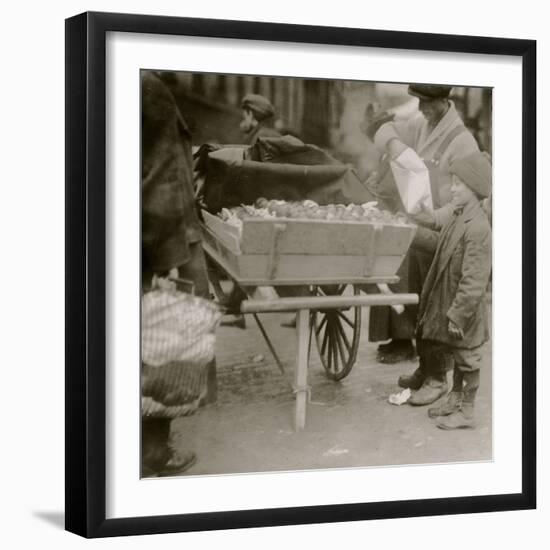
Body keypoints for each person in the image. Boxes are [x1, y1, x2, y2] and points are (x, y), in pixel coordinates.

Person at [365, 84, 480, 382]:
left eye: (427, 103)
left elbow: (470, 203)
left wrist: (433, 216)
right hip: (424, 223)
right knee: (398, 243)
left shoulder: (462, 141)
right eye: (418, 101)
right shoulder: (422, 124)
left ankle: (433, 368)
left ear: (445, 101)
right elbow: (385, 129)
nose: (421, 108)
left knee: (406, 245)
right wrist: (396, 146)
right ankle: (424, 360)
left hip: (450, 234)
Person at [141, 70, 215, 476]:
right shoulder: (149, 88)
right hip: (154, 243)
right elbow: (163, 179)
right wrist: (168, 258)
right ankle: (153, 451)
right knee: (163, 344)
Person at [408, 152, 492, 424]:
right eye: (452, 182)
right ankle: (455, 399)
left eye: (458, 184)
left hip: (465, 311)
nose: (452, 188)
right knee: (457, 354)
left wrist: (458, 314)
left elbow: (474, 280)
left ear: (475, 188)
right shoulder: (458, 216)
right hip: (453, 304)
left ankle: (467, 411)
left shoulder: (477, 227)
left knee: (468, 358)